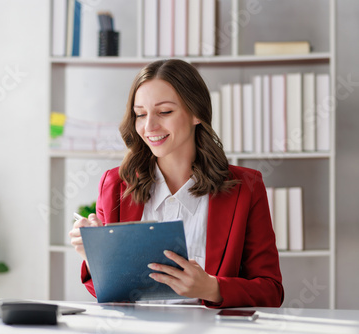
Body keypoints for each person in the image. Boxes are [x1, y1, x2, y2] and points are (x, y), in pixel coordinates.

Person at [68, 59, 284, 308]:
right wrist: (96, 257)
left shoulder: (245, 188)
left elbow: (271, 291)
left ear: (196, 113)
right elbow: (110, 296)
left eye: (165, 112)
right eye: (140, 114)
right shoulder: (115, 184)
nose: (149, 126)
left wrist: (211, 288)